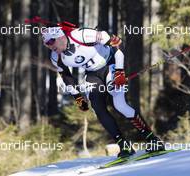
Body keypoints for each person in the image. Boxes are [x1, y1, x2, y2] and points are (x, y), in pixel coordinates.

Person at [42, 25, 165, 158]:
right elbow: (67, 78)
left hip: (110, 64)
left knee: (119, 104)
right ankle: (124, 146)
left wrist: (119, 71)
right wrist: (77, 97)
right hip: (92, 75)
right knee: (98, 108)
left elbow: (117, 46)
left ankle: (153, 140)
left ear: (60, 36)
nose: (49, 46)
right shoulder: (56, 57)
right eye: (46, 44)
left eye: (50, 41)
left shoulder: (81, 35)